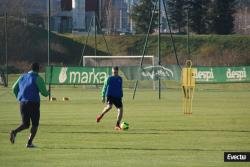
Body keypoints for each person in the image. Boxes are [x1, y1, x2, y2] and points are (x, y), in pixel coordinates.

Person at [10, 62, 49, 148]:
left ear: (30, 69)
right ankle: (29, 143)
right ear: (38, 69)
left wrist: (19, 97)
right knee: (35, 124)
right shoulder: (38, 78)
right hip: (33, 104)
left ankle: (14, 132)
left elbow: (14, 88)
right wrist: (48, 92)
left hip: (23, 103)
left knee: (25, 124)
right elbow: (44, 93)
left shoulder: (22, 76)